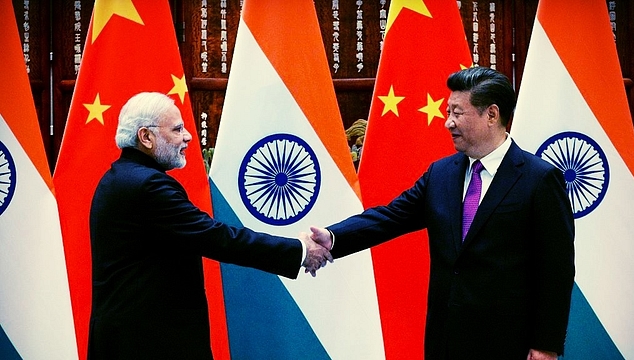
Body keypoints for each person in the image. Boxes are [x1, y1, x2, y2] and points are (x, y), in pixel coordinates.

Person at [311, 67, 575, 360]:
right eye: (448, 111)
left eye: (457, 113)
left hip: (508, 342)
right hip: (445, 339)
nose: (448, 122)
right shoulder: (441, 174)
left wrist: (546, 345)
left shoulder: (539, 180)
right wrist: (333, 237)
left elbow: (556, 271)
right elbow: (390, 217)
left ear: (491, 114)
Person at [88, 92, 332, 359]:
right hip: (149, 343)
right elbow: (217, 238)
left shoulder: (117, 177)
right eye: (177, 129)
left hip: (128, 338)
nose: (188, 136)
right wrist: (300, 251)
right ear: (146, 137)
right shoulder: (148, 186)